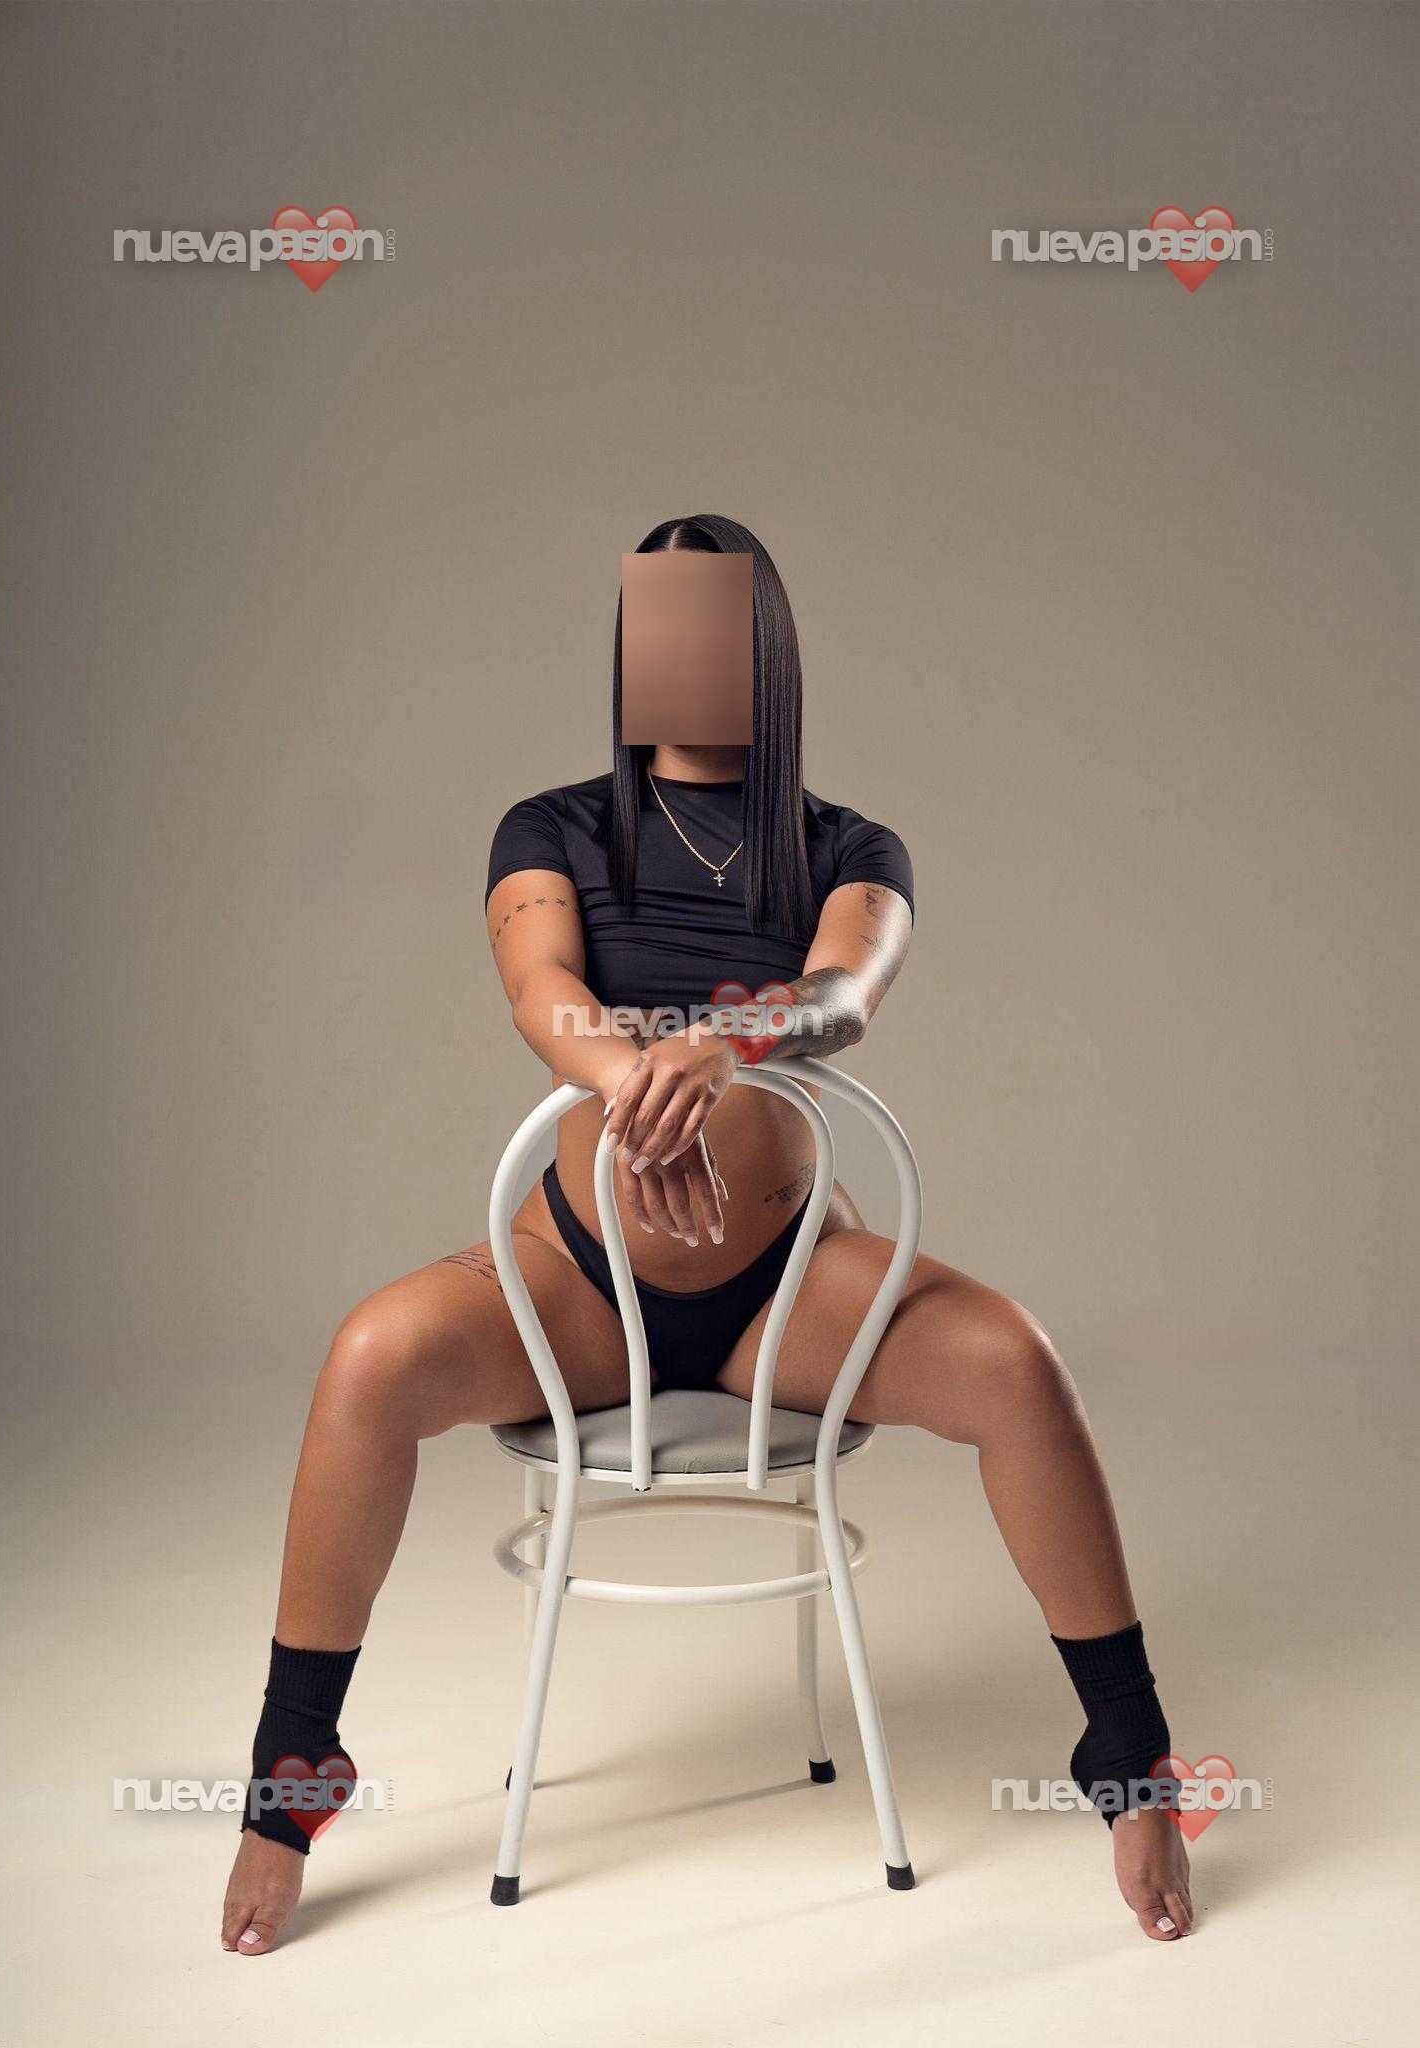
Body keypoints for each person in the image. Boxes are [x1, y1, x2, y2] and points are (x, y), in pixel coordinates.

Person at [221, 513, 1192, 1955]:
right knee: (368, 1356)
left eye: (710, 626)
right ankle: (291, 1773)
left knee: (1018, 1365)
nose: (672, 654)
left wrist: (724, 1042)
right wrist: (638, 1089)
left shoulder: (849, 846)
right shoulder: (550, 829)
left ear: (768, 651)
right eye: (650, 624)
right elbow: (541, 990)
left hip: (782, 1293)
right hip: (573, 1285)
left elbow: (843, 994)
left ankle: (1131, 1760)